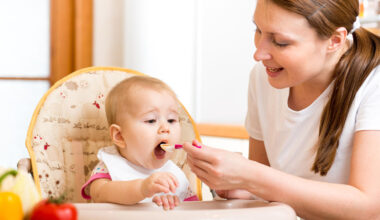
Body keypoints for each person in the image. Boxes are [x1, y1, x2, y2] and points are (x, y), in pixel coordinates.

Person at [183, 0, 380, 219]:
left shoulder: (374, 84)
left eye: (280, 42)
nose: (258, 54)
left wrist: (250, 176)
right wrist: (239, 185)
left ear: (334, 40)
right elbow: (266, 187)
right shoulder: (263, 78)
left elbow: (369, 208)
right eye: (258, 30)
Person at [81, 76, 198, 210]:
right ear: (120, 136)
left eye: (171, 120)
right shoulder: (111, 166)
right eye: (151, 120)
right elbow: (99, 193)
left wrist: (175, 205)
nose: (165, 128)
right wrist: (142, 188)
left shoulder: (174, 173)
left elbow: (194, 211)